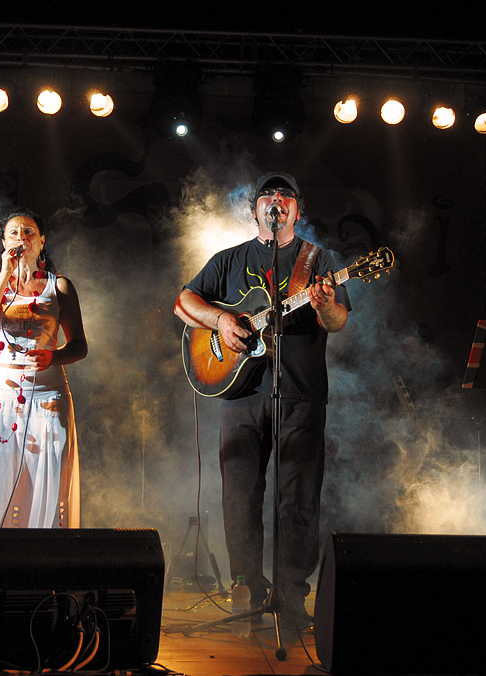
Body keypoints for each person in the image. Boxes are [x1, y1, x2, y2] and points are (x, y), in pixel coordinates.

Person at [174, 172, 349, 631]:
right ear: (255, 209)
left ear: (298, 209)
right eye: (269, 196)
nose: (278, 201)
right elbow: (183, 302)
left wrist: (325, 303)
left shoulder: (318, 259)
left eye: (287, 195)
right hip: (240, 395)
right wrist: (221, 321)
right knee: (240, 499)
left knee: (298, 499)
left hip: (300, 393)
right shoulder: (229, 260)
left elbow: (336, 322)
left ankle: (291, 597)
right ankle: (250, 586)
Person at [0, 207, 88, 528]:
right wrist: (5, 272)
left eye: (28, 232)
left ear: (42, 242)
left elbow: (80, 346)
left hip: (46, 391)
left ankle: (42, 559)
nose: (21, 238)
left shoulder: (60, 286)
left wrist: (53, 357)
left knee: (46, 472)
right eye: (13, 233)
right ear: (3, 242)